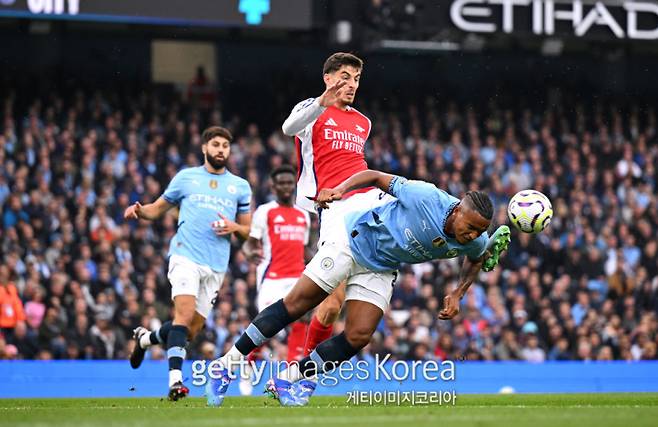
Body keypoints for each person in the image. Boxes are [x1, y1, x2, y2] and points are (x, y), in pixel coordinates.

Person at [206, 169, 511, 406]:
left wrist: (458, 293)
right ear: (457, 210)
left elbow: (475, 259)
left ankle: (289, 377)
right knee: (298, 303)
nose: (472, 235)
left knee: (359, 335)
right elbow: (376, 177)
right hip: (353, 238)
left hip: (381, 265)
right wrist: (340, 190)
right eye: (469, 227)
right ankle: (226, 364)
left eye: (479, 231)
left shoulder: (478, 239)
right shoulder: (425, 197)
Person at [281, 52, 393, 373]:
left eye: (357, 79)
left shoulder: (362, 122)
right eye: (345, 76)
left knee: (333, 306)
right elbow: (289, 128)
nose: (352, 84)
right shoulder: (311, 109)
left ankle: (304, 374)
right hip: (325, 211)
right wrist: (321, 102)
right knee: (327, 305)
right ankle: (300, 371)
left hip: (359, 211)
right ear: (328, 78)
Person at [124, 126, 252, 401]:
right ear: (205, 148)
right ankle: (175, 382)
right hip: (185, 255)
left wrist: (233, 227)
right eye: (216, 145)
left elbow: (247, 230)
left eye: (225, 146)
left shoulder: (240, 186)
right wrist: (140, 210)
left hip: (217, 265)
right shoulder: (186, 178)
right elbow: (158, 209)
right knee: (182, 316)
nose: (221, 150)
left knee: (190, 330)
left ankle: (145, 340)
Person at [239, 165, 311, 394]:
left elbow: (305, 248)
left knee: (302, 322)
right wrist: (249, 253)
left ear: (295, 185)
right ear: (273, 186)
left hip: (297, 278)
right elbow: (250, 243)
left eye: (290, 182)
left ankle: (288, 378)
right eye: (281, 183)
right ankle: (248, 368)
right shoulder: (265, 212)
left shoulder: (303, 215)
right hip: (272, 279)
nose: (286, 187)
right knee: (265, 330)